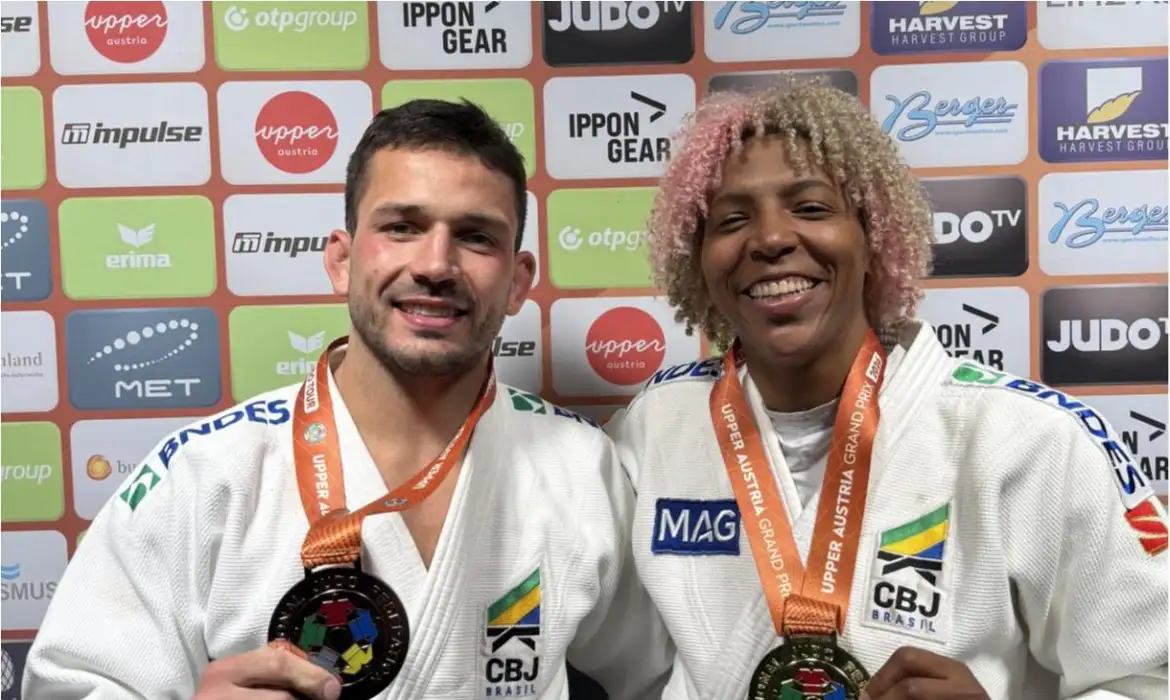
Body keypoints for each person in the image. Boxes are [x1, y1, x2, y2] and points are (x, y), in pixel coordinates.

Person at [24, 99, 673, 700]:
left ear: (517, 281)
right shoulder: (209, 473)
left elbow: (666, 678)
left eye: (476, 236)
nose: (436, 264)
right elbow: (70, 685)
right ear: (341, 259)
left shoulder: (581, 468)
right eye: (402, 226)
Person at [604, 77, 1169, 700]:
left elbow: (1147, 678)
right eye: (731, 220)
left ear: (874, 237)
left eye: (810, 208)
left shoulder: (1027, 437)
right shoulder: (656, 426)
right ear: (698, 260)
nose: (769, 238)